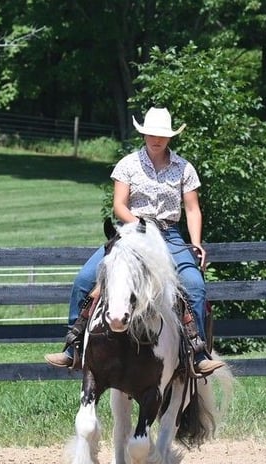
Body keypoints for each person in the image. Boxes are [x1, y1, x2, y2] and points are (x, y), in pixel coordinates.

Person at [44, 107, 224, 376]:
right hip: (131, 232)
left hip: (168, 234)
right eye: (152, 133)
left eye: (162, 134)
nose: (156, 139)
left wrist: (196, 243)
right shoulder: (128, 164)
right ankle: (74, 347)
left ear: (170, 137)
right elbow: (119, 205)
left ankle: (196, 354)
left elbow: (192, 209)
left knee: (195, 285)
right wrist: (139, 225)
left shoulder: (184, 168)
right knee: (84, 279)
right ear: (144, 133)